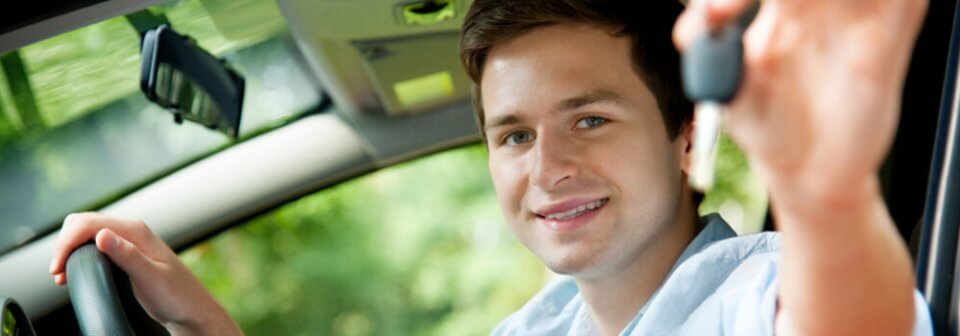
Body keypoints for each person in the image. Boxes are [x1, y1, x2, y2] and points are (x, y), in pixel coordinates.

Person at [48, 0, 932, 334]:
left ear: (686, 138)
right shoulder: (534, 330)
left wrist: (827, 193)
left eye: (588, 117)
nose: (547, 167)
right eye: (513, 135)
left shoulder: (762, 296)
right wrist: (207, 328)